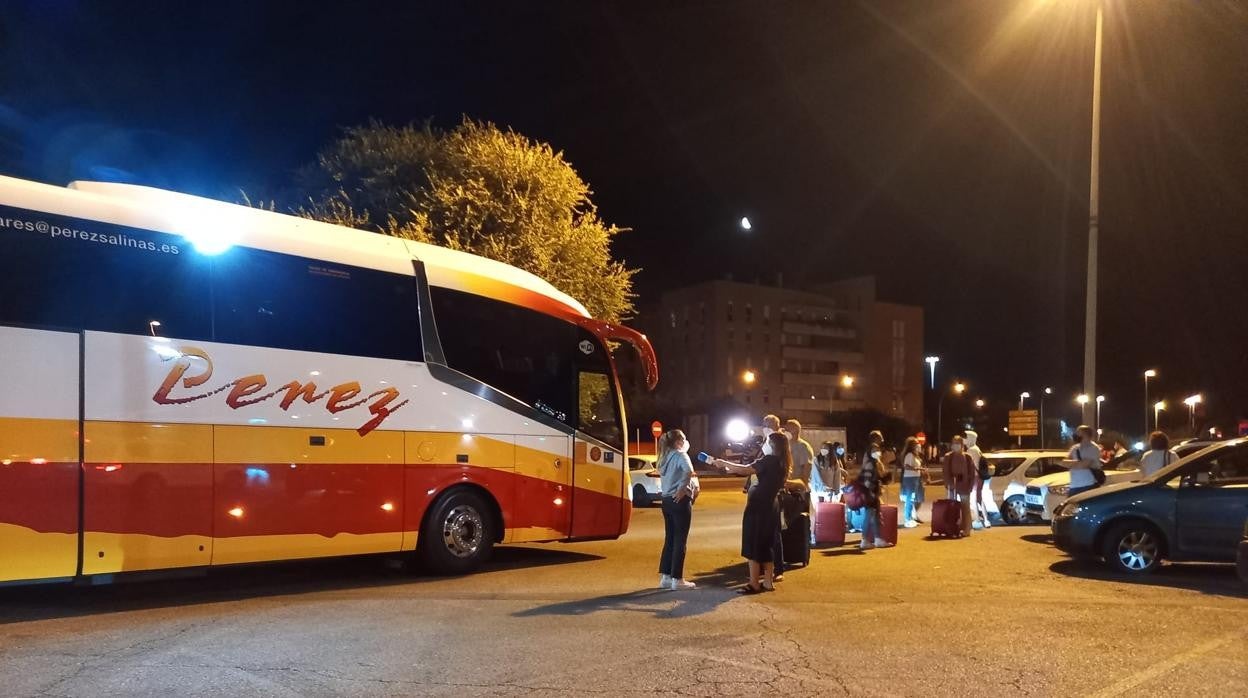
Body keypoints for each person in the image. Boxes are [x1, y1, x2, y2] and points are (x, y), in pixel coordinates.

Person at [709, 432, 794, 594]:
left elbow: (746, 470)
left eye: (767, 441)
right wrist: (729, 468)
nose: (764, 444)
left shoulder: (769, 460)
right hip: (771, 505)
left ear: (773, 445)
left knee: (753, 543)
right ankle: (768, 582)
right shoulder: (783, 462)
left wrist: (722, 462)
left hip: (758, 507)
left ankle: (754, 583)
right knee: (766, 543)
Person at [655, 429, 697, 590]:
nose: (686, 442)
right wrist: (682, 488)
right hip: (679, 501)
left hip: (666, 501)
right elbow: (688, 471)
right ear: (679, 441)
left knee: (670, 539)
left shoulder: (664, 457)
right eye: (684, 439)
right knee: (680, 539)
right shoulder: (680, 455)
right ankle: (677, 579)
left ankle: (665, 577)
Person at [856, 435, 894, 550]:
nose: (877, 452)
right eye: (874, 451)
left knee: (876, 516)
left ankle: (877, 538)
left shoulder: (875, 463)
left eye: (878, 450)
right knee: (869, 516)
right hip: (870, 494)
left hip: (874, 493)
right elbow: (868, 481)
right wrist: (871, 494)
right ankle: (864, 540)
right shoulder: (870, 464)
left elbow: (877, 478)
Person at [785, 419, 818, 545]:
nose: (786, 430)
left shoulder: (803, 446)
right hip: (787, 486)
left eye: (789, 428)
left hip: (798, 488)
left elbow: (806, 469)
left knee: (801, 516)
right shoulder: (785, 445)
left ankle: (806, 539)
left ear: (796, 430)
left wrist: (801, 486)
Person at [941, 434, 976, 537]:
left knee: (965, 508)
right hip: (952, 487)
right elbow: (945, 472)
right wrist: (948, 484)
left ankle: (966, 528)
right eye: (954, 443)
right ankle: (952, 528)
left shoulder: (968, 457)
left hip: (964, 486)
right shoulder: (948, 457)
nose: (956, 445)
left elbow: (972, 473)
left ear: (961, 444)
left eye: (958, 443)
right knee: (952, 508)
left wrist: (970, 486)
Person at [1065, 425, 1103, 496]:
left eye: (1078, 433)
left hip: (1088, 486)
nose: (1075, 435)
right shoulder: (1075, 448)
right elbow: (1064, 462)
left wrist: (1071, 464)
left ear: (1085, 435)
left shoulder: (1093, 448)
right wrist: (1077, 464)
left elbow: (1084, 465)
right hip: (1074, 486)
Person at [965, 430, 991, 529]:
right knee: (979, 498)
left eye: (967, 438)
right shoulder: (977, 449)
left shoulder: (971, 450)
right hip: (979, 477)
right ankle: (986, 520)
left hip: (975, 477)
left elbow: (968, 465)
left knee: (974, 499)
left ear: (971, 439)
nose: (965, 440)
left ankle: (977, 520)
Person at [898, 436, 925, 528]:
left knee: (915, 499)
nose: (918, 445)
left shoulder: (915, 455)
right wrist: (917, 468)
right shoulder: (909, 455)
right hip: (910, 479)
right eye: (916, 443)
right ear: (911, 445)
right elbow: (906, 466)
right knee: (910, 499)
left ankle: (912, 517)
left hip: (915, 478)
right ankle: (908, 519)